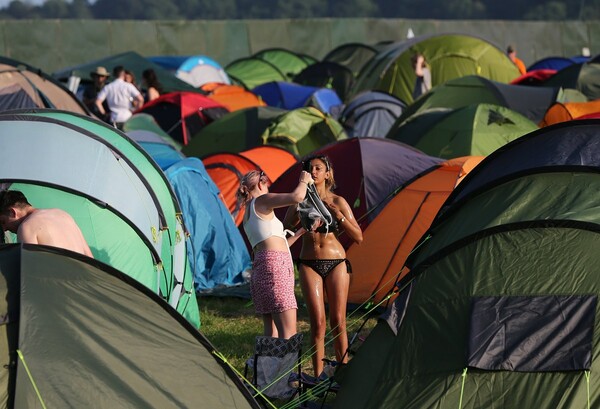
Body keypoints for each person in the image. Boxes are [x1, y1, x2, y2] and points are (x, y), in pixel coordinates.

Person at [283, 155, 363, 379]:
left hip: (336, 261)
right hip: (309, 262)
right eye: (310, 168)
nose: (314, 171)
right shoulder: (300, 199)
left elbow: (359, 236)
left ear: (327, 174)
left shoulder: (338, 201)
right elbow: (286, 226)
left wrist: (339, 217)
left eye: (318, 168)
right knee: (318, 323)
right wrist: (299, 204)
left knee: (338, 320)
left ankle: (343, 373)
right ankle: (318, 378)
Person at [237, 169, 313, 339]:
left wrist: (300, 232)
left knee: (271, 332)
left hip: (262, 267)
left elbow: (276, 243)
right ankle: (288, 366)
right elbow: (297, 197)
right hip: (276, 267)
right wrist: (303, 180)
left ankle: (267, 365)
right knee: (288, 333)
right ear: (259, 184)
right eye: (267, 185)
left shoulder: (248, 214)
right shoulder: (261, 200)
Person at [0, 190, 94, 258]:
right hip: (86, 281)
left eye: (3, 222)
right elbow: (90, 258)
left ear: (13, 212)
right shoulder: (63, 214)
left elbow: (30, 272)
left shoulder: (26, 227)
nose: (4, 229)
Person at [95, 65, 144, 130]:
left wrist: (104, 114)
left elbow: (97, 102)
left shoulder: (108, 87)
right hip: (127, 118)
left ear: (114, 75)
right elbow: (141, 99)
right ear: (123, 74)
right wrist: (136, 112)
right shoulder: (128, 86)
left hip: (113, 119)